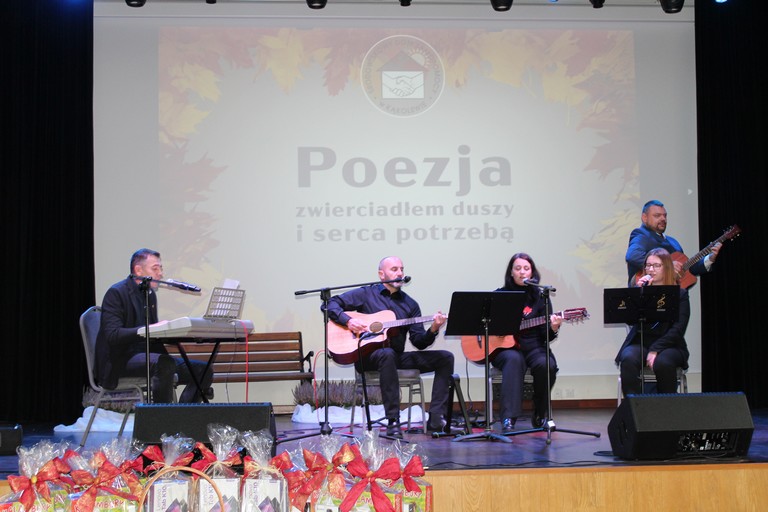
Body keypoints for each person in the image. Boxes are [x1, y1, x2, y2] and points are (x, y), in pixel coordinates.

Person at [323, 256, 453, 438]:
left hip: (395, 357)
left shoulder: (410, 304)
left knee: (445, 358)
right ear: (381, 274)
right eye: (394, 269)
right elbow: (329, 304)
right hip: (367, 357)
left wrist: (433, 328)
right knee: (387, 354)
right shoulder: (366, 294)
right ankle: (393, 420)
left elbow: (418, 342)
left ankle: (436, 418)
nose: (400, 273)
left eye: (402, 269)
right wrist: (349, 321)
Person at [95, 248, 213, 403]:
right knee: (164, 364)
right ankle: (161, 416)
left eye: (161, 269)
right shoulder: (116, 293)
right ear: (138, 270)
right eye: (155, 269)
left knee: (203, 370)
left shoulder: (149, 295)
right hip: (120, 360)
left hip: (148, 357)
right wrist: (148, 330)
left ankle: (183, 413)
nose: (160, 274)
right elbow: (113, 335)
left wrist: (174, 331)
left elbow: (153, 336)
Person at [492, 253, 560, 433]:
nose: (522, 272)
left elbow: (546, 337)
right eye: (518, 268)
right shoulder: (500, 295)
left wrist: (553, 328)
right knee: (514, 360)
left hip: (533, 346)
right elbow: (485, 323)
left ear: (532, 272)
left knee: (547, 365)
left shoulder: (541, 297)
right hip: (504, 349)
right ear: (511, 272)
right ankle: (508, 417)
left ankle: (540, 412)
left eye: (526, 268)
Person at [616, 248, 690, 397]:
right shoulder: (641, 291)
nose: (651, 270)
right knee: (628, 358)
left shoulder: (680, 295)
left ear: (666, 268)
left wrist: (655, 349)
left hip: (670, 345)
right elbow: (630, 319)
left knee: (663, 362)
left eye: (656, 265)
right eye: (648, 265)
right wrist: (637, 293)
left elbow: (679, 328)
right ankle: (634, 406)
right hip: (641, 342)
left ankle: (666, 406)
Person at [626, 199, 721, 285]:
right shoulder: (641, 235)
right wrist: (668, 266)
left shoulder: (673, 242)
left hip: (676, 295)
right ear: (644, 217)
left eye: (665, 215)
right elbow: (633, 256)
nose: (663, 219)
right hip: (650, 294)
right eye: (657, 215)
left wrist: (710, 258)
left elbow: (686, 269)